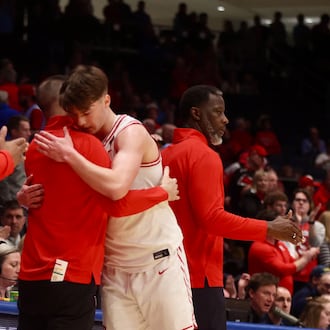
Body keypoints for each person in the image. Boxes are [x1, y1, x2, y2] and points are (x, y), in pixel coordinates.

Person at [32, 66, 197, 330]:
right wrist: (24, 194)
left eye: (87, 112)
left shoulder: (129, 132)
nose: (82, 121)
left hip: (156, 258)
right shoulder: (83, 139)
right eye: (75, 114)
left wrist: (70, 155)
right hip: (114, 268)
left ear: (106, 100)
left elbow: (117, 188)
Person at [160, 84, 303, 330]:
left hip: (164, 274)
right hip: (199, 278)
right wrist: (269, 228)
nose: (226, 119)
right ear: (196, 114)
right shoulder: (204, 155)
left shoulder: (165, 155)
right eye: (217, 112)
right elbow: (212, 219)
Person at [248, 209, 319, 295]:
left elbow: (293, 263)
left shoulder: (280, 244)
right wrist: (306, 258)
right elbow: (283, 270)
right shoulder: (260, 247)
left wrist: (308, 256)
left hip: (284, 296)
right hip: (266, 295)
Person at [0, 115, 31, 203]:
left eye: (29, 130)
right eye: (25, 130)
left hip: (26, 202)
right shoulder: (5, 151)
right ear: (14, 132)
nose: (29, 133)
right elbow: (3, 182)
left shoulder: (30, 148)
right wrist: (8, 203)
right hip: (11, 202)